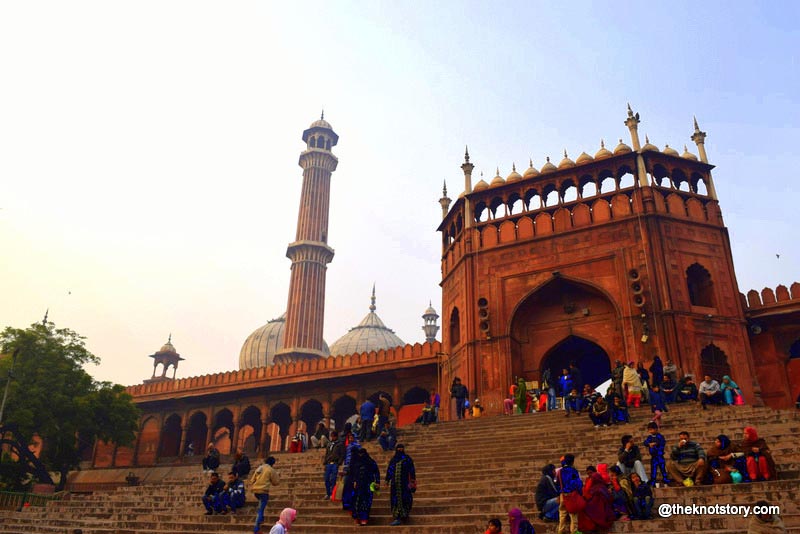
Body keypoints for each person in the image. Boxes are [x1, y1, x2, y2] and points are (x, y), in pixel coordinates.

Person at [386, 443, 416, 526]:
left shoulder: (407, 459)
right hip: (395, 484)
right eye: (398, 448)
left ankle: (405, 514)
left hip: (405, 483)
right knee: (395, 500)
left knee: (406, 498)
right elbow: (390, 469)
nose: (400, 449)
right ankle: (397, 517)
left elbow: (412, 469)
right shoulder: (394, 459)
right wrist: (387, 479)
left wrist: (412, 480)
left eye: (401, 448)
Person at [578, 465, 614, 532]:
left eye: (591, 473)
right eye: (588, 473)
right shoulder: (592, 483)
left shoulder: (598, 487)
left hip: (598, 507)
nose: (590, 475)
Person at [351, 447, 380, 526]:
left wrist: (377, 482)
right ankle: (357, 518)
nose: (361, 455)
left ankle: (364, 519)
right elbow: (353, 473)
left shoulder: (370, 462)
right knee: (357, 502)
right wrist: (354, 481)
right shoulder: (357, 462)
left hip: (368, 485)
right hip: (358, 485)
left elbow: (376, 472)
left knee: (366, 502)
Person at [250, 456, 279, 534]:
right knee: (260, 509)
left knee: (261, 506)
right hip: (263, 491)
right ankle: (256, 528)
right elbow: (276, 482)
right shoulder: (270, 470)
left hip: (256, 490)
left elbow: (252, 480)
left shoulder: (259, 468)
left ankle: (261, 519)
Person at [556, 454, 582, 534]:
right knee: (573, 514)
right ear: (572, 462)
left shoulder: (559, 471)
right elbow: (577, 483)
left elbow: (557, 483)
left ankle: (560, 530)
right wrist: (580, 493)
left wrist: (559, 494)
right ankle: (574, 531)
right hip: (571, 495)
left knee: (562, 514)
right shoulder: (573, 471)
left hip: (562, 495)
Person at [643, 422, 669, 486]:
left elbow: (662, 443)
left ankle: (665, 479)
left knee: (662, 468)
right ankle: (653, 480)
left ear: (656, 429)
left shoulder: (660, 436)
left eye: (652, 429)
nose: (650, 431)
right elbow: (645, 442)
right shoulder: (649, 437)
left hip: (660, 455)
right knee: (653, 469)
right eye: (649, 430)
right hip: (653, 456)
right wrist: (649, 444)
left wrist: (656, 444)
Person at [322, 430, 344, 500]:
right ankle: (328, 493)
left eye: (333, 436)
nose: (332, 438)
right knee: (326, 479)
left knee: (333, 479)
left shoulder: (340, 444)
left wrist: (339, 462)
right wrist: (325, 462)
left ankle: (332, 493)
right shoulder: (329, 444)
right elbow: (327, 454)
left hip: (335, 463)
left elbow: (342, 454)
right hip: (328, 463)